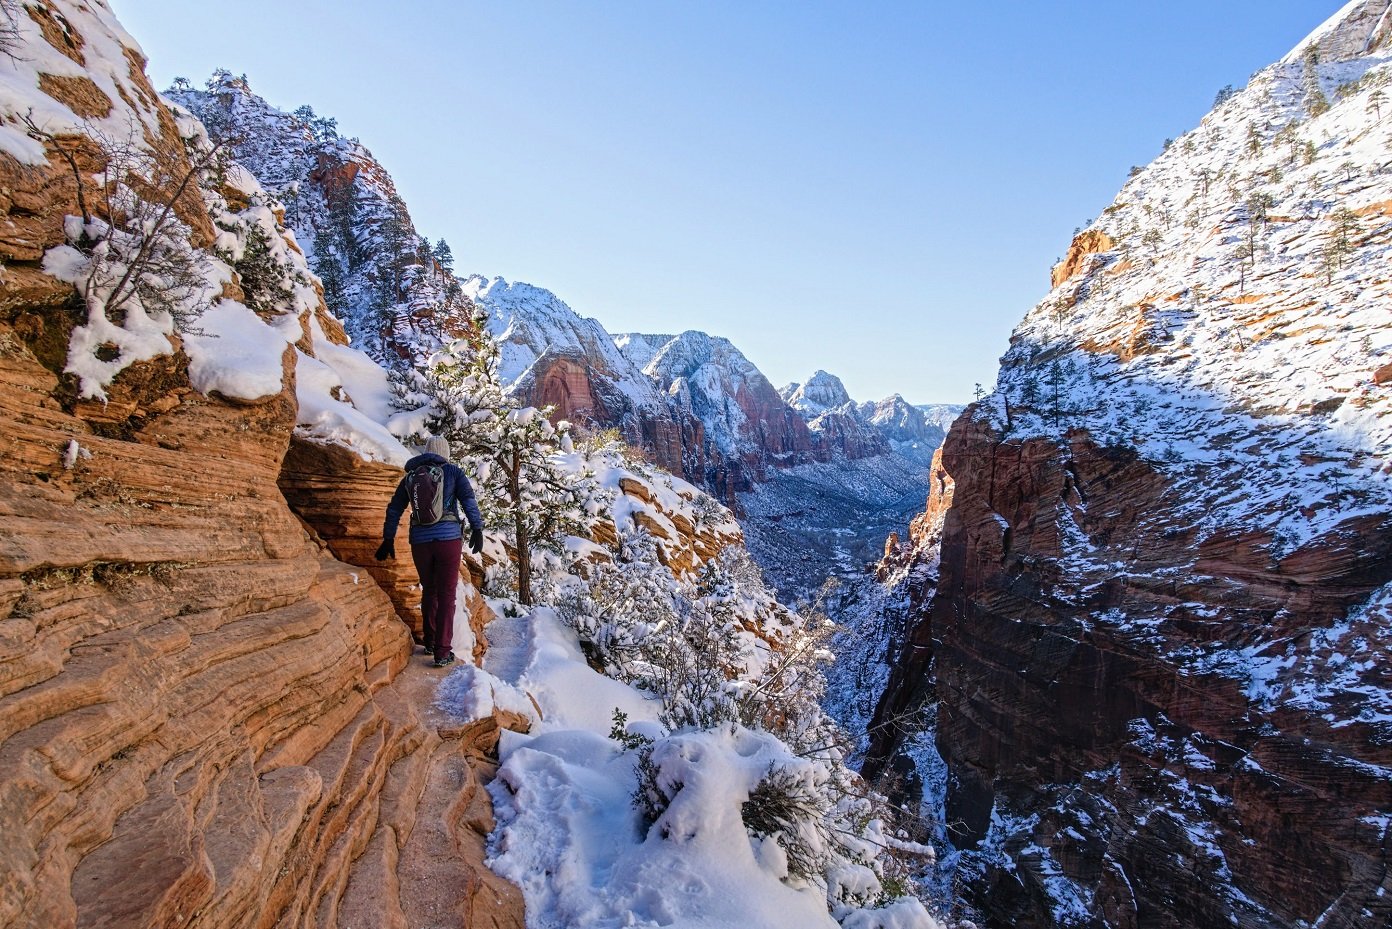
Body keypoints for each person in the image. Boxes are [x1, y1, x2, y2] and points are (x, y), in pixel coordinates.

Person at [376, 436, 484, 668]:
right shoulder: (453, 472)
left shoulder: (412, 476)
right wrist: (477, 527)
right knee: (446, 595)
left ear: (426, 453)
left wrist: (388, 537)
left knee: (430, 591)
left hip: (420, 542)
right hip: (448, 540)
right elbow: (468, 500)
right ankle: (443, 652)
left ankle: (431, 642)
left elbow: (395, 508)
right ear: (445, 453)